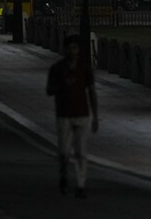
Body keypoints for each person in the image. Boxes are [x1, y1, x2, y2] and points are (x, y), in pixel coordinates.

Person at [46, 34, 99, 198]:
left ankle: (81, 184)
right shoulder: (57, 68)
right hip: (64, 114)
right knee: (64, 152)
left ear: (79, 50)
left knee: (81, 152)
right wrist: (63, 84)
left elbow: (91, 92)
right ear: (64, 50)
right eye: (69, 48)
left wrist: (96, 116)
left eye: (74, 47)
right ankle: (63, 176)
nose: (72, 51)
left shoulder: (85, 69)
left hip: (82, 114)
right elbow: (49, 90)